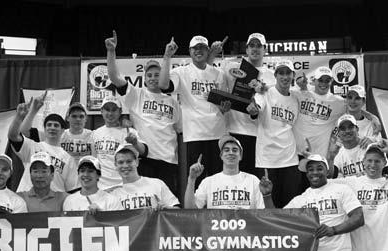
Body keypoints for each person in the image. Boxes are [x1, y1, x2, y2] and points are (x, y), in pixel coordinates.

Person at [184, 135, 273, 251]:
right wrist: (192, 179)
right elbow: (190, 210)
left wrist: (261, 201)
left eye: (235, 150)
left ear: (241, 156)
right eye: (226, 150)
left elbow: (266, 216)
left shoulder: (253, 181)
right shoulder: (209, 181)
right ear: (220, 155)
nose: (231, 153)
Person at [109, 143, 188, 251]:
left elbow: (178, 214)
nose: (125, 165)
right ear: (115, 165)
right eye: (120, 162)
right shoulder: (113, 195)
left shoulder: (155, 184)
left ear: (137, 162)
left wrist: (165, 210)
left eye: (129, 161)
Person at [105, 30, 181, 195]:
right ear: (144, 78)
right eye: (149, 75)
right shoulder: (136, 94)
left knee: (167, 206)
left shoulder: (173, 102)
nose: (153, 78)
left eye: (157, 75)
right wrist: (111, 51)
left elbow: (180, 129)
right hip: (144, 158)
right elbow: (114, 76)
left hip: (169, 160)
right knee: (144, 203)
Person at [159, 35, 227, 187]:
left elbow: (222, 104)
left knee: (219, 182)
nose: (198, 51)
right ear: (189, 51)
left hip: (218, 133)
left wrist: (225, 108)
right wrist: (167, 56)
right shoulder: (181, 72)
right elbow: (164, 85)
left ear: (208, 50)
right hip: (195, 135)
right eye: (195, 48)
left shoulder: (218, 73)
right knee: (197, 183)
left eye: (202, 48)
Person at [219, 33, 276, 174]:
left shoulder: (272, 75)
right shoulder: (231, 68)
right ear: (246, 49)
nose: (255, 49)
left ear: (265, 49)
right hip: (235, 131)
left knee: (258, 180)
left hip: (260, 135)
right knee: (236, 177)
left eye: (259, 46)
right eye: (252, 45)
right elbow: (215, 81)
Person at [247, 60, 300, 208]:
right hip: (267, 160)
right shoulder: (265, 93)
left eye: (288, 73)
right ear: (275, 75)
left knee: (290, 207)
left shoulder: (296, 98)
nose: (285, 77)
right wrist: (254, 110)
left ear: (293, 75)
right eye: (281, 73)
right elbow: (257, 106)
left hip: (290, 160)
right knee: (268, 206)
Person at [8, 96, 78, 193]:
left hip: (53, 203)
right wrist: (19, 117)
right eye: (49, 125)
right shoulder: (33, 146)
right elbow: (13, 136)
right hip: (28, 200)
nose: (52, 128)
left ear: (62, 130)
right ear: (44, 129)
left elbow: (72, 189)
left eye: (56, 125)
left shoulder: (68, 159)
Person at [91, 95, 147, 189]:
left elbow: (143, 152)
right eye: (107, 109)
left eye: (114, 110)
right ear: (101, 111)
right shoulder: (95, 133)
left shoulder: (129, 132)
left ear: (120, 111)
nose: (110, 113)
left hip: (124, 185)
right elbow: (94, 161)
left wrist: (134, 142)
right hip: (101, 186)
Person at [327, 114, 374, 178]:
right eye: (343, 128)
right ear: (338, 133)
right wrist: (331, 158)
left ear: (357, 129)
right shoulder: (338, 154)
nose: (347, 131)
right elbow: (331, 177)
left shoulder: (370, 147)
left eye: (350, 127)